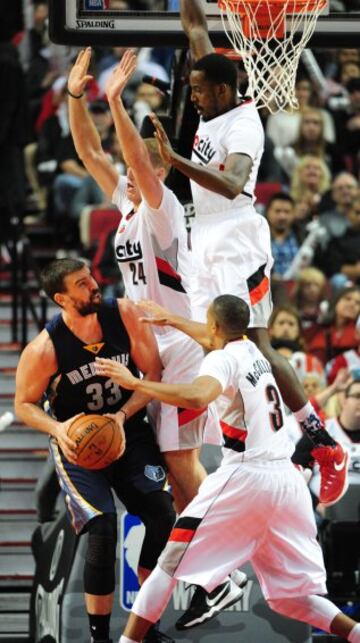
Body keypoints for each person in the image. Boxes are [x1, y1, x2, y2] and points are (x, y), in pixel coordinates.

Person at [150, 0, 348, 517]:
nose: (191, 98)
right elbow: (195, 26)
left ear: (220, 90)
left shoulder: (243, 126)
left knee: (255, 345)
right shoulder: (212, 95)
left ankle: (319, 441)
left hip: (236, 235)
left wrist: (175, 161)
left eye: (197, 92)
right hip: (206, 237)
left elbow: (235, 184)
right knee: (220, 348)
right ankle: (259, 446)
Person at [95, 294, 360, 643]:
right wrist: (171, 320)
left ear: (215, 326)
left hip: (247, 477)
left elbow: (197, 396)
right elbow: (214, 335)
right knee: (288, 597)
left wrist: (137, 384)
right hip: (288, 481)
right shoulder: (254, 351)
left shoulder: (222, 359)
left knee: (169, 563)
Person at [67, 48, 221, 513]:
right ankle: (199, 565)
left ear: (161, 172)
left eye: (138, 170)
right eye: (129, 173)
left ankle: (224, 553)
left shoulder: (163, 210)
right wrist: (77, 94)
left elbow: (131, 153)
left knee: (180, 462)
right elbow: (92, 152)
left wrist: (116, 102)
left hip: (180, 346)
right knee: (172, 474)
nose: (128, 176)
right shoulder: (129, 205)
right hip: (148, 346)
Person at [14, 258, 176, 643]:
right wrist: (58, 427)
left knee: (162, 516)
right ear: (61, 298)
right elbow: (23, 404)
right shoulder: (45, 348)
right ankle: (99, 638)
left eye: (91, 278)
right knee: (102, 529)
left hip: (127, 429)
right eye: (82, 284)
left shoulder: (123, 314)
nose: (93, 286)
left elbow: (152, 374)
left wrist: (120, 416)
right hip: (78, 443)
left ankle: (144, 627)